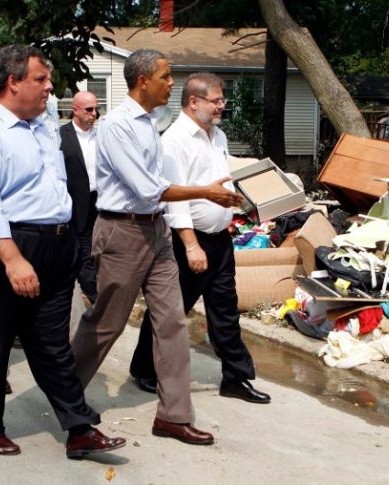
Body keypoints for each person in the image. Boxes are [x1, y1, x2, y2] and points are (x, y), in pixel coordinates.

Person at [70, 49, 243, 446]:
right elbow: (148, 188)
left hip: (157, 233)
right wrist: (205, 193)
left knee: (172, 323)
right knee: (107, 323)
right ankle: (67, 393)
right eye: (166, 76)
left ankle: (173, 416)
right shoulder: (116, 127)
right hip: (122, 233)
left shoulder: (151, 123)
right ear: (143, 80)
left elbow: (162, 189)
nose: (172, 83)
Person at [0, 44, 126, 458]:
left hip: (57, 244)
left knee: (52, 342)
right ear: (13, 82)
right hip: (11, 246)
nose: (51, 87)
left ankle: (79, 428)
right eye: (40, 79)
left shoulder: (44, 124)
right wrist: (12, 259)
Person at [128, 73, 271, 404]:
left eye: (222, 100)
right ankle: (145, 369)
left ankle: (236, 377)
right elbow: (172, 199)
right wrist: (191, 245)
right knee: (171, 311)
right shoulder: (174, 141)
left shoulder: (217, 136)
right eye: (216, 100)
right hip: (187, 242)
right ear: (194, 102)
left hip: (220, 240)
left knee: (225, 309)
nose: (222, 106)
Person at [60, 91, 100, 304]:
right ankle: (94, 294)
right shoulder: (61, 136)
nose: (94, 114)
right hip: (76, 202)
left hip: (100, 201)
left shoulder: (101, 135)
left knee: (98, 247)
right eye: (89, 109)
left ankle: (97, 288)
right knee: (83, 247)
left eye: (96, 109)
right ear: (75, 110)